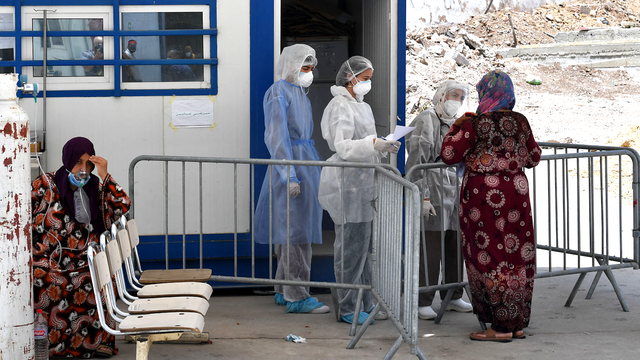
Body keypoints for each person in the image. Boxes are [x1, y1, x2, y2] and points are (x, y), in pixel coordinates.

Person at [440, 70, 541, 342]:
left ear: (486, 93)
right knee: (516, 256)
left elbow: (449, 155)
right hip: (516, 194)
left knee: (490, 257)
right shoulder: (521, 122)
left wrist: (457, 126)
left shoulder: (475, 124)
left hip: (483, 196)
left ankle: (499, 327)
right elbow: (533, 157)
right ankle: (515, 323)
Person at [32, 137, 131, 357]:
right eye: (79, 162)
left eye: (89, 164)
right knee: (37, 275)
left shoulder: (97, 187)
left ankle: (100, 341)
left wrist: (104, 174)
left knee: (104, 276)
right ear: (67, 160)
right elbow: (22, 217)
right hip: (52, 258)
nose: (84, 170)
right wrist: (33, 245)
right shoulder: (45, 185)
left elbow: (122, 206)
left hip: (87, 258)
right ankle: (49, 345)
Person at [318, 56, 399, 325]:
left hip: (363, 183)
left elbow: (366, 142)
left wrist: (383, 146)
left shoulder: (360, 105)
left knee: (364, 249)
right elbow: (343, 147)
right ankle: (347, 307)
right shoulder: (340, 106)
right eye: (365, 78)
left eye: (369, 79)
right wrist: (373, 143)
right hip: (347, 184)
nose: (368, 83)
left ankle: (366, 302)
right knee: (350, 250)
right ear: (350, 78)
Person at [254, 44, 329, 314]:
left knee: (296, 232)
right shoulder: (278, 93)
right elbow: (276, 136)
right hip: (293, 166)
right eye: (304, 68)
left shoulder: (299, 92)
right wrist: (289, 174)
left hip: (304, 162)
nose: (309, 73)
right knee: (295, 232)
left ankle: (284, 289)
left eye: (311, 68)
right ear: (291, 66)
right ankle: (297, 295)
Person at [405, 80, 473, 320]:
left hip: (452, 188)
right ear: (441, 96)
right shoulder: (426, 119)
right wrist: (422, 195)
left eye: (461, 97)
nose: (457, 101)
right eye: (454, 95)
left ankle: (453, 295)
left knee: (455, 243)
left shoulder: (456, 123)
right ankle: (424, 297)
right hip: (431, 189)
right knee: (430, 246)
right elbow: (416, 161)